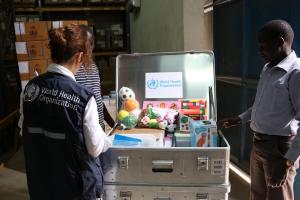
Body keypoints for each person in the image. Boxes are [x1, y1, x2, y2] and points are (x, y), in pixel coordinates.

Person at [18, 24, 111, 200]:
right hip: (75, 189)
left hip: (42, 185)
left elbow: (25, 131)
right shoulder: (83, 98)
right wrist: (108, 140)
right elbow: (95, 148)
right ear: (79, 57)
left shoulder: (29, 90)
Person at [218, 19, 300, 200]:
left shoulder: (296, 72)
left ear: (280, 42)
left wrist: (287, 161)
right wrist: (239, 119)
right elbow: (262, 105)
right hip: (259, 144)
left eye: (264, 46)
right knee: (257, 196)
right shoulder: (267, 68)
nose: (260, 51)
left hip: (280, 149)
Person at [75, 26, 115, 130]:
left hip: (99, 130)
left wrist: (113, 125)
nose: (88, 47)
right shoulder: (72, 69)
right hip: (84, 132)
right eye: (83, 44)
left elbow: (97, 99)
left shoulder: (92, 67)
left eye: (89, 43)